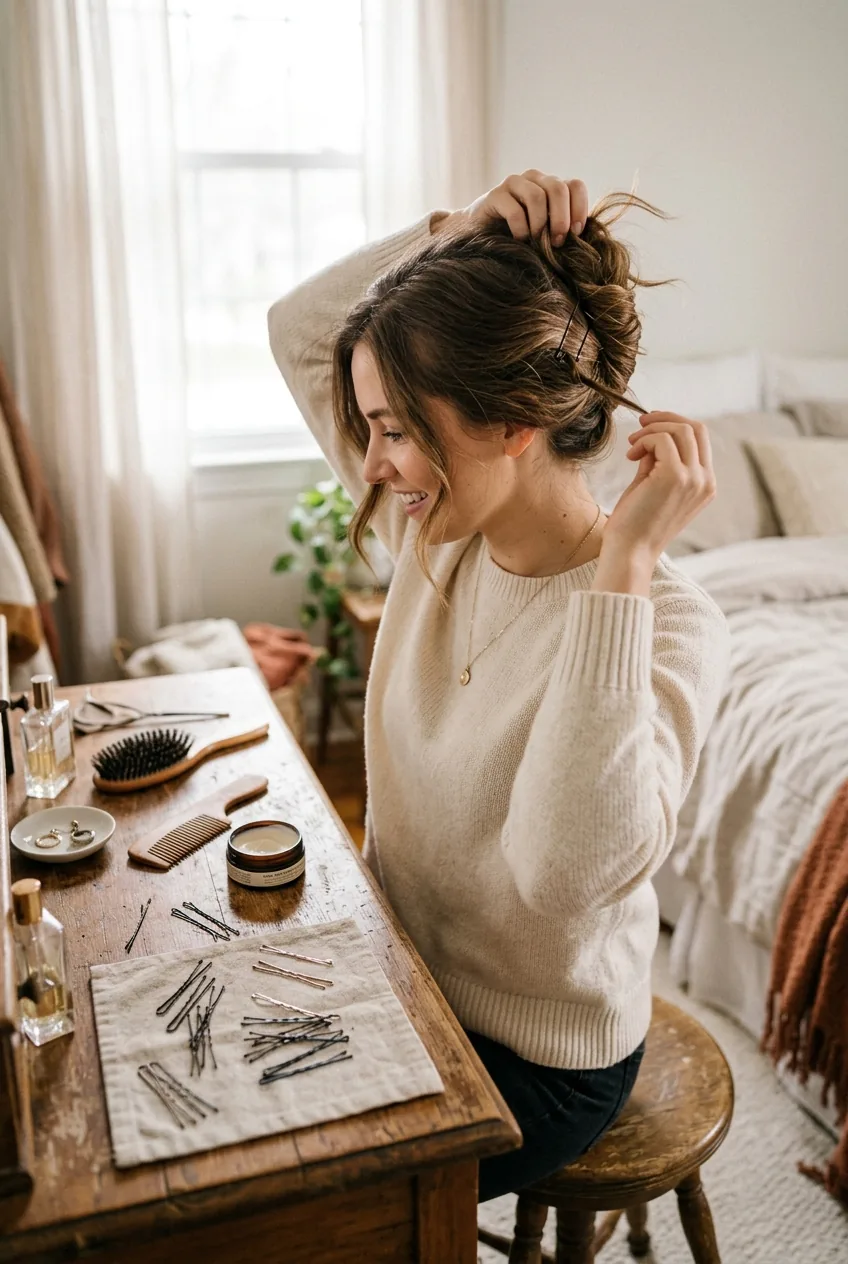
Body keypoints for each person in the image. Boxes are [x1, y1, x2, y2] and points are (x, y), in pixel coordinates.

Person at [268, 171, 729, 1203]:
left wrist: (625, 573)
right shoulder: (433, 531)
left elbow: (560, 875)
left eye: (393, 427)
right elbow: (297, 329)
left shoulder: (672, 623)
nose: (373, 461)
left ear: (513, 419)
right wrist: (453, 231)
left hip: (537, 1059)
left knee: (305, 1200)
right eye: (370, 427)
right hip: (398, 971)